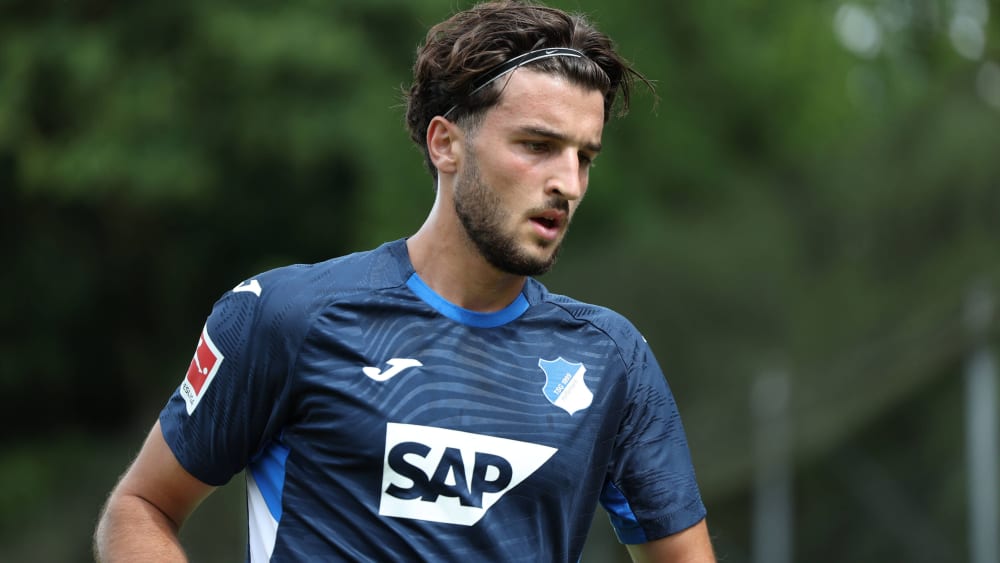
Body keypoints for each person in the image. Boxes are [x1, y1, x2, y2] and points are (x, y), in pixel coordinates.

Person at [93, 1, 715, 561]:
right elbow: (141, 507)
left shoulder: (612, 359)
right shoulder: (288, 316)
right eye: (537, 145)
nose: (568, 183)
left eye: (585, 157)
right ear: (446, 144)